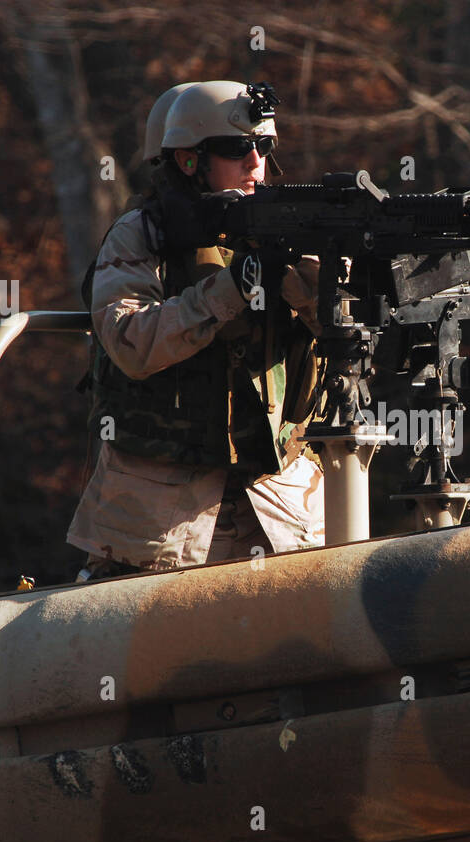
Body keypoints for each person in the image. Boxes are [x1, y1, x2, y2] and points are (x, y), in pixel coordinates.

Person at [68, 81, 325, 582]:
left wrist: (310, 282)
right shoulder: (143, 233)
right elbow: (131, 343)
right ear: (188, 161)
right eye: (236, 149)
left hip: (281, 506)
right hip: (160, 517)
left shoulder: (290, 228)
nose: (255, 163)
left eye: (264, 147)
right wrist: (233, 287)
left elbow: (353, 341)